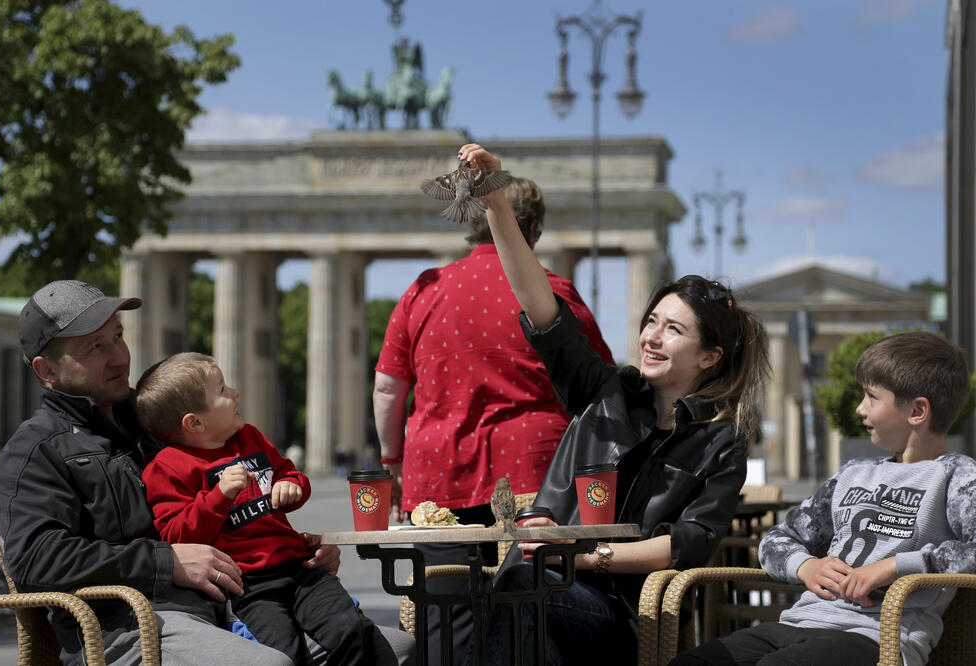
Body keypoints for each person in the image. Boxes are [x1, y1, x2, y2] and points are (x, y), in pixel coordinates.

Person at [454, 144, 772, 665]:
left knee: (518, 589)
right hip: (540, 586)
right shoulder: (603, 392)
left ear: (710, 356)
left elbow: (689, 542)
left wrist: (582, 556)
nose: (652, 337)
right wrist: (495, 202)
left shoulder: (721, 441)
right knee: (523, 608)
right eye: (652, 322)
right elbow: (539, 305)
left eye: (674, 330)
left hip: (620, 608)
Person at [0, 280, 293, 664]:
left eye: (117, 336)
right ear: (47, 370)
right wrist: (165, 561)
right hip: (127, 628)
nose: (119, 357)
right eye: (96, 347)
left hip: (238, 600)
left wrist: (290, 549)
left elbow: (235, 497)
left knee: (364, 644)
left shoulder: (164, 425)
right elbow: (36, 559)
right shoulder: (31, 455)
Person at [373, 176, 614, 663]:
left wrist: (391, 461)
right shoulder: (553, 290)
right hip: (536, 474)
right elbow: (598, 383)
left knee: (444, 611)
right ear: (534, 230)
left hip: (439, 474)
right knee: (528, 606)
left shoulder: (424, 289)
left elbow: (387, 389)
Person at [671, 331, 976, 666]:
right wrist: (807, 566)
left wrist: (895, 566)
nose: (860, 408)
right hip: (799, 622)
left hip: (877, 638)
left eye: (872, 397)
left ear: (917, 411)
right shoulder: (852, 473)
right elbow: (777, 539)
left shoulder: (956, 476)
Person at [136, 352, 382, 665]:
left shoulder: (249, 437)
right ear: (194, 422)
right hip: (248, 586)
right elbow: (175, 536)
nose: (235, 392)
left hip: (298, 568)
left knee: (349, 628)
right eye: (222, 390)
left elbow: (288, 473)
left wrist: (290, 485)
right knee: (281, 653)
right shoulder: (166, 468)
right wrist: (219, 496)